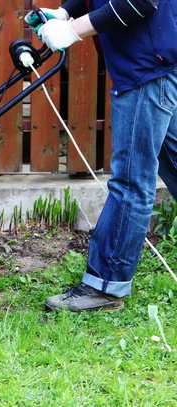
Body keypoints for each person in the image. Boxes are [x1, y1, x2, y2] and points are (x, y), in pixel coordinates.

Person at [25, 0, 177, 312]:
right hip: (153, 63)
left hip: (147, 69)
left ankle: (105, 286)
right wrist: (66, 12)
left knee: (131, 182)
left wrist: (71, 30)